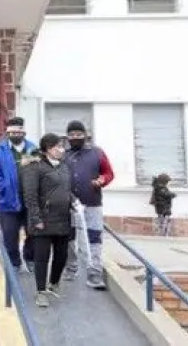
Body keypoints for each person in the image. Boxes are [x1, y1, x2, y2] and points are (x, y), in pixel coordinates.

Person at [22, 133, 73, 308]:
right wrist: (36, 218)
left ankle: (54, 283)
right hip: (43, 220)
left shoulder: (64, 167)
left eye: (62, 146)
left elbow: (66, 190)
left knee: (61, 256)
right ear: (47, 149)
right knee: (42, 258)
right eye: (57, 147)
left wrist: (74, 202)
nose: (61, 150)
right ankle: (41, 291)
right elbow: (30, 195)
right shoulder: (35, 167)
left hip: (63, 219)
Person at [62, 120, 114, 290]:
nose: (75, 137)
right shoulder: (63, 155)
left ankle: (94, 274)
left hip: (92, 203)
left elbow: (109, 173)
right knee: (68, 238)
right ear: (67, 137)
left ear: (85, 135)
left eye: (79, 134)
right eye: (71, 135)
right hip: (67, 205)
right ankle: (71, 267)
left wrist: (102, 180)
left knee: (94, 238)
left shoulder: (97, 153)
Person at [0, 116, 39, 273]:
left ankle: (29, 258)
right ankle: (14, 263)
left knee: (34, 233)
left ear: (24, 132)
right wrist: (5, 188)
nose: (16, 135)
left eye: (19, 132)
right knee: (10, 236)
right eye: (12, 132)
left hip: (30, 201)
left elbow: (41, 171)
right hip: (8, 201)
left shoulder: (33, 149)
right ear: (8, 133)